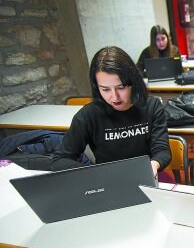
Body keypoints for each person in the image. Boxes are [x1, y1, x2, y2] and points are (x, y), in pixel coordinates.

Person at [51, 46, 172, 180]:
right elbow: (60, 160)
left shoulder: (152, 107)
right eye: (105, 89)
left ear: (133, 82)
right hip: (107, 181)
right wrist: (94, 173)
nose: (114, 97)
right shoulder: (88, 115)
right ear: (97, 87)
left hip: (146, 176)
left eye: (121, 87)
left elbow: (162, 151)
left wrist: (153, 165)